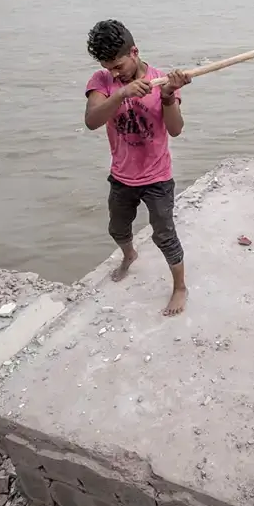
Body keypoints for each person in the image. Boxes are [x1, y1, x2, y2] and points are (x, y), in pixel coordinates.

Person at [83, 19, 192, 317]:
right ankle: (129, 254)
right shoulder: (103, 81)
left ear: (134, 52)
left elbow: (176, 130)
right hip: (121, 176)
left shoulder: (160, 80)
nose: (114, 72)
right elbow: (92, 121)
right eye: (108, 66)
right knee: (117, 228)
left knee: (164, 235)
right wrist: (121, 92)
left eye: (118, 65)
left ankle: (180, 287)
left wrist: (168, 95)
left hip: (157, 177)